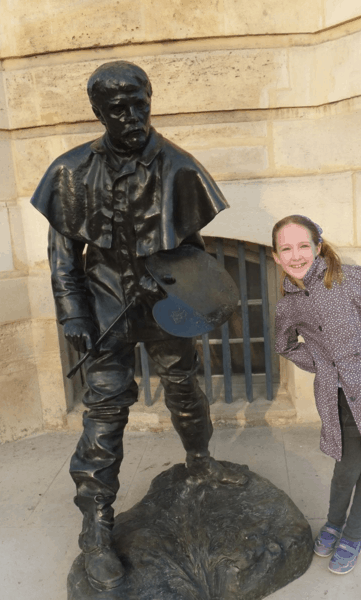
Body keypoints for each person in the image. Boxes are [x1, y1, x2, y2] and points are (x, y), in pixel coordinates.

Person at [31, 60, 246, 592]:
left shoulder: (179, 167)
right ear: (98, 112)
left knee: (185, 387)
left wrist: (171, 279)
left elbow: (193, 251)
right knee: (105, 413)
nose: (131, 117)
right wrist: (75, 314)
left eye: (140, 103)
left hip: (165, 305)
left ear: (151, 98)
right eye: (118, 108)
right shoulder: (69, 172)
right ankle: (97, 529)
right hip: (104, 310)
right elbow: (63, 257)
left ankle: (199, 459)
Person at [272, 214, 361, 575]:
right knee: (345, 465)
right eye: (285, 248)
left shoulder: (349, 279)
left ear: (317, 247)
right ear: (276, 257)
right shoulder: (287, 304)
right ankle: (335, 523)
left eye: (303, 245)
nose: (296, 255)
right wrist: (322, 364)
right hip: (334, 395)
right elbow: (285, 344)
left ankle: (352, 534)